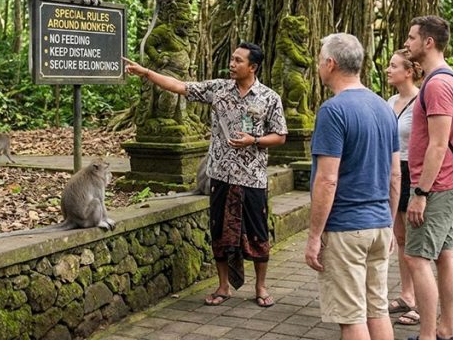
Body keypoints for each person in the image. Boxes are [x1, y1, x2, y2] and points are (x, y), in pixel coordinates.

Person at [123, 42, 287, 307]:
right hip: (220, 175)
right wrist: (146, 73)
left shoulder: (269, 98)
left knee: (258, 234)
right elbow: (180, 86)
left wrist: (253, 140)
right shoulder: (219, 90)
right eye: (232, 59)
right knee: (220, 233)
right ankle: (223, 287)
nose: (232, 64)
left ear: (253, 67)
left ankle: (261, 287)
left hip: (253, 178)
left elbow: (280, 136)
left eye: (238, 60)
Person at [305, 33, 400, 340]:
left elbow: (327, 178)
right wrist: (389, 222)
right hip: (379, 225)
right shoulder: (384, 107)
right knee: (377, 310)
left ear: (330, 64)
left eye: (321, 59)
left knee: (351, 318)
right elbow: (395, 175)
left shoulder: (333, 111)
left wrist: (314, 235)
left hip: (346, 228)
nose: (319, 65)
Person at [403, 16, 453, 340]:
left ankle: (429, 335)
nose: (407, 43)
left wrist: (420, 192)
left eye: (412, 37)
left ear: (428, 42)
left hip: (436, 185)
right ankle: (445, 330)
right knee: (444, 254)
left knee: (416, 258)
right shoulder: (445, 77)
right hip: (447, 183)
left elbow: (438, 144)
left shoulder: (439, 84)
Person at [386, 49, 424, 327]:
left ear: (409, 71)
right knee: (400, 238)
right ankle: (407, 295)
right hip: (393, 170)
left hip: (415, 171)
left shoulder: (422, 100)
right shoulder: (390, 101)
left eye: (393, 65)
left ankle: (423, 304)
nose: (388, 69)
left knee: (417, 242)